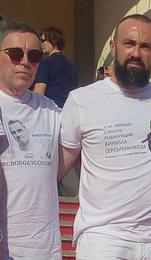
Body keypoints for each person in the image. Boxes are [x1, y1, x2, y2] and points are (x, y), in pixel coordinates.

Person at [58, 14, 151, 259]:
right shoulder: (82, 100)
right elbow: (57, 168)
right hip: (103, 238)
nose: (136, 52)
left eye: (145, 46)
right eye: (129, 43)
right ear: (113, 47)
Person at [0, 21, 61, 259]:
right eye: (15, 54)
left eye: (34, 55)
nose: (25, 62)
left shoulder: (51, 110)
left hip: (47, 250)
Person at [33, 26, 78, 108]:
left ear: (53, 41)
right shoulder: (72, 66)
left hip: (50, 110)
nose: (41, 44)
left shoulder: (45, 63)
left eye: (43, 40)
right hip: (69, 110)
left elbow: (38, 95)